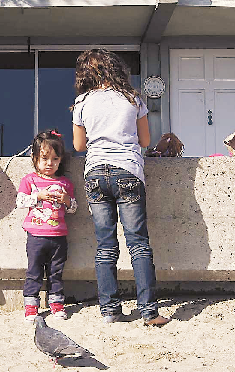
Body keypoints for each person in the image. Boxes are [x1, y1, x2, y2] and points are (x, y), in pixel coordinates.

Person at [71, 49, 169, 326]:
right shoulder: (132, 98)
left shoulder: (82, 102)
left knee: (105, 245)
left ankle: (110, 311)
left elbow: (78, 145)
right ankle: (149, 312)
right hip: (127, 170)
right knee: (138, 243)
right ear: (116, 69)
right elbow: (145, 140)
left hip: (95, 173)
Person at [16, 130, 78, 323]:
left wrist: (66, 200)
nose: (49, 163)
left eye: (55, 159)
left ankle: (57, 304)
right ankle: (31, 306)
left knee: (56, 272)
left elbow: (73, 209)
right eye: (44, 158)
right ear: (35, 158)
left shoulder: (65, 183)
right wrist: (38, 196)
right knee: (34, 271)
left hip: (58, 237)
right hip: (36, 236)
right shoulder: (30, 180)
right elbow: (20, 201)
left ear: (61, 160)